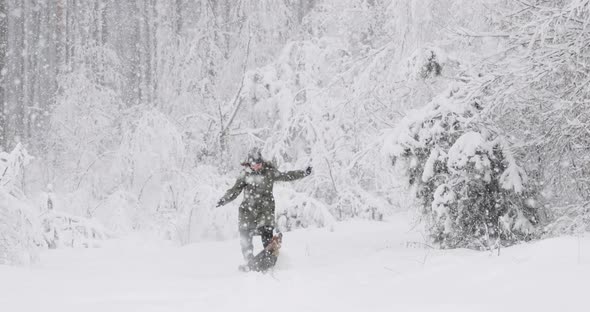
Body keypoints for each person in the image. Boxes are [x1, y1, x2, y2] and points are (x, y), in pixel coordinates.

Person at [216, 148, 312, 263]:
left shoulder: (269, 172)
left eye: (259, 164)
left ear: (262, 162)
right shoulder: (245, 174)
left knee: (266, 229)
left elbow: (286, 176)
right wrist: (224, 199)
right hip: (247, 210)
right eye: (254, 164)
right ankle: (249, 259)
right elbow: (235, 190)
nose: (256, 167)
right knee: (245, 234)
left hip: (265, 209)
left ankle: (269, 253)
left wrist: (303, 173)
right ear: (249, 163)